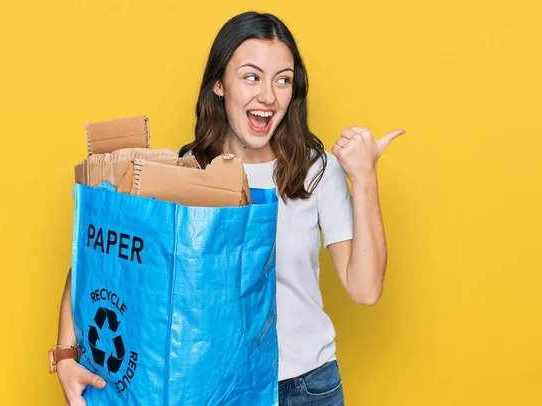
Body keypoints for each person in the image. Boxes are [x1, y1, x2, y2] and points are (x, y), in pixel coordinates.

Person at [54, 11, 404, 406]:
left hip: (306, 387)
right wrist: (65, 354)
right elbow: (100, 256)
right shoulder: (185, 173)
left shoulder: (315, 170)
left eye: (283, 79)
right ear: (219, 84)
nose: (269, 96)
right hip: (214, 389)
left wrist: (365, 180)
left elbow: (366, 288)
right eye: (251, 76)